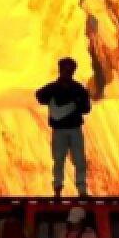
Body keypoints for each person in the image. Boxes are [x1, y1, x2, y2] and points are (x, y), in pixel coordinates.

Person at [35, 57, 93, 198]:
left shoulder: (56, 88)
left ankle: (59, 187)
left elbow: (40, 96)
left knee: (63, 159)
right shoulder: (76, 89)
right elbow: (86, 108)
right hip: (71, 129)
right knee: (75, 159)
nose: (67, 72)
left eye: (69, 69)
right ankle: (78, 189)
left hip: (63, 129)